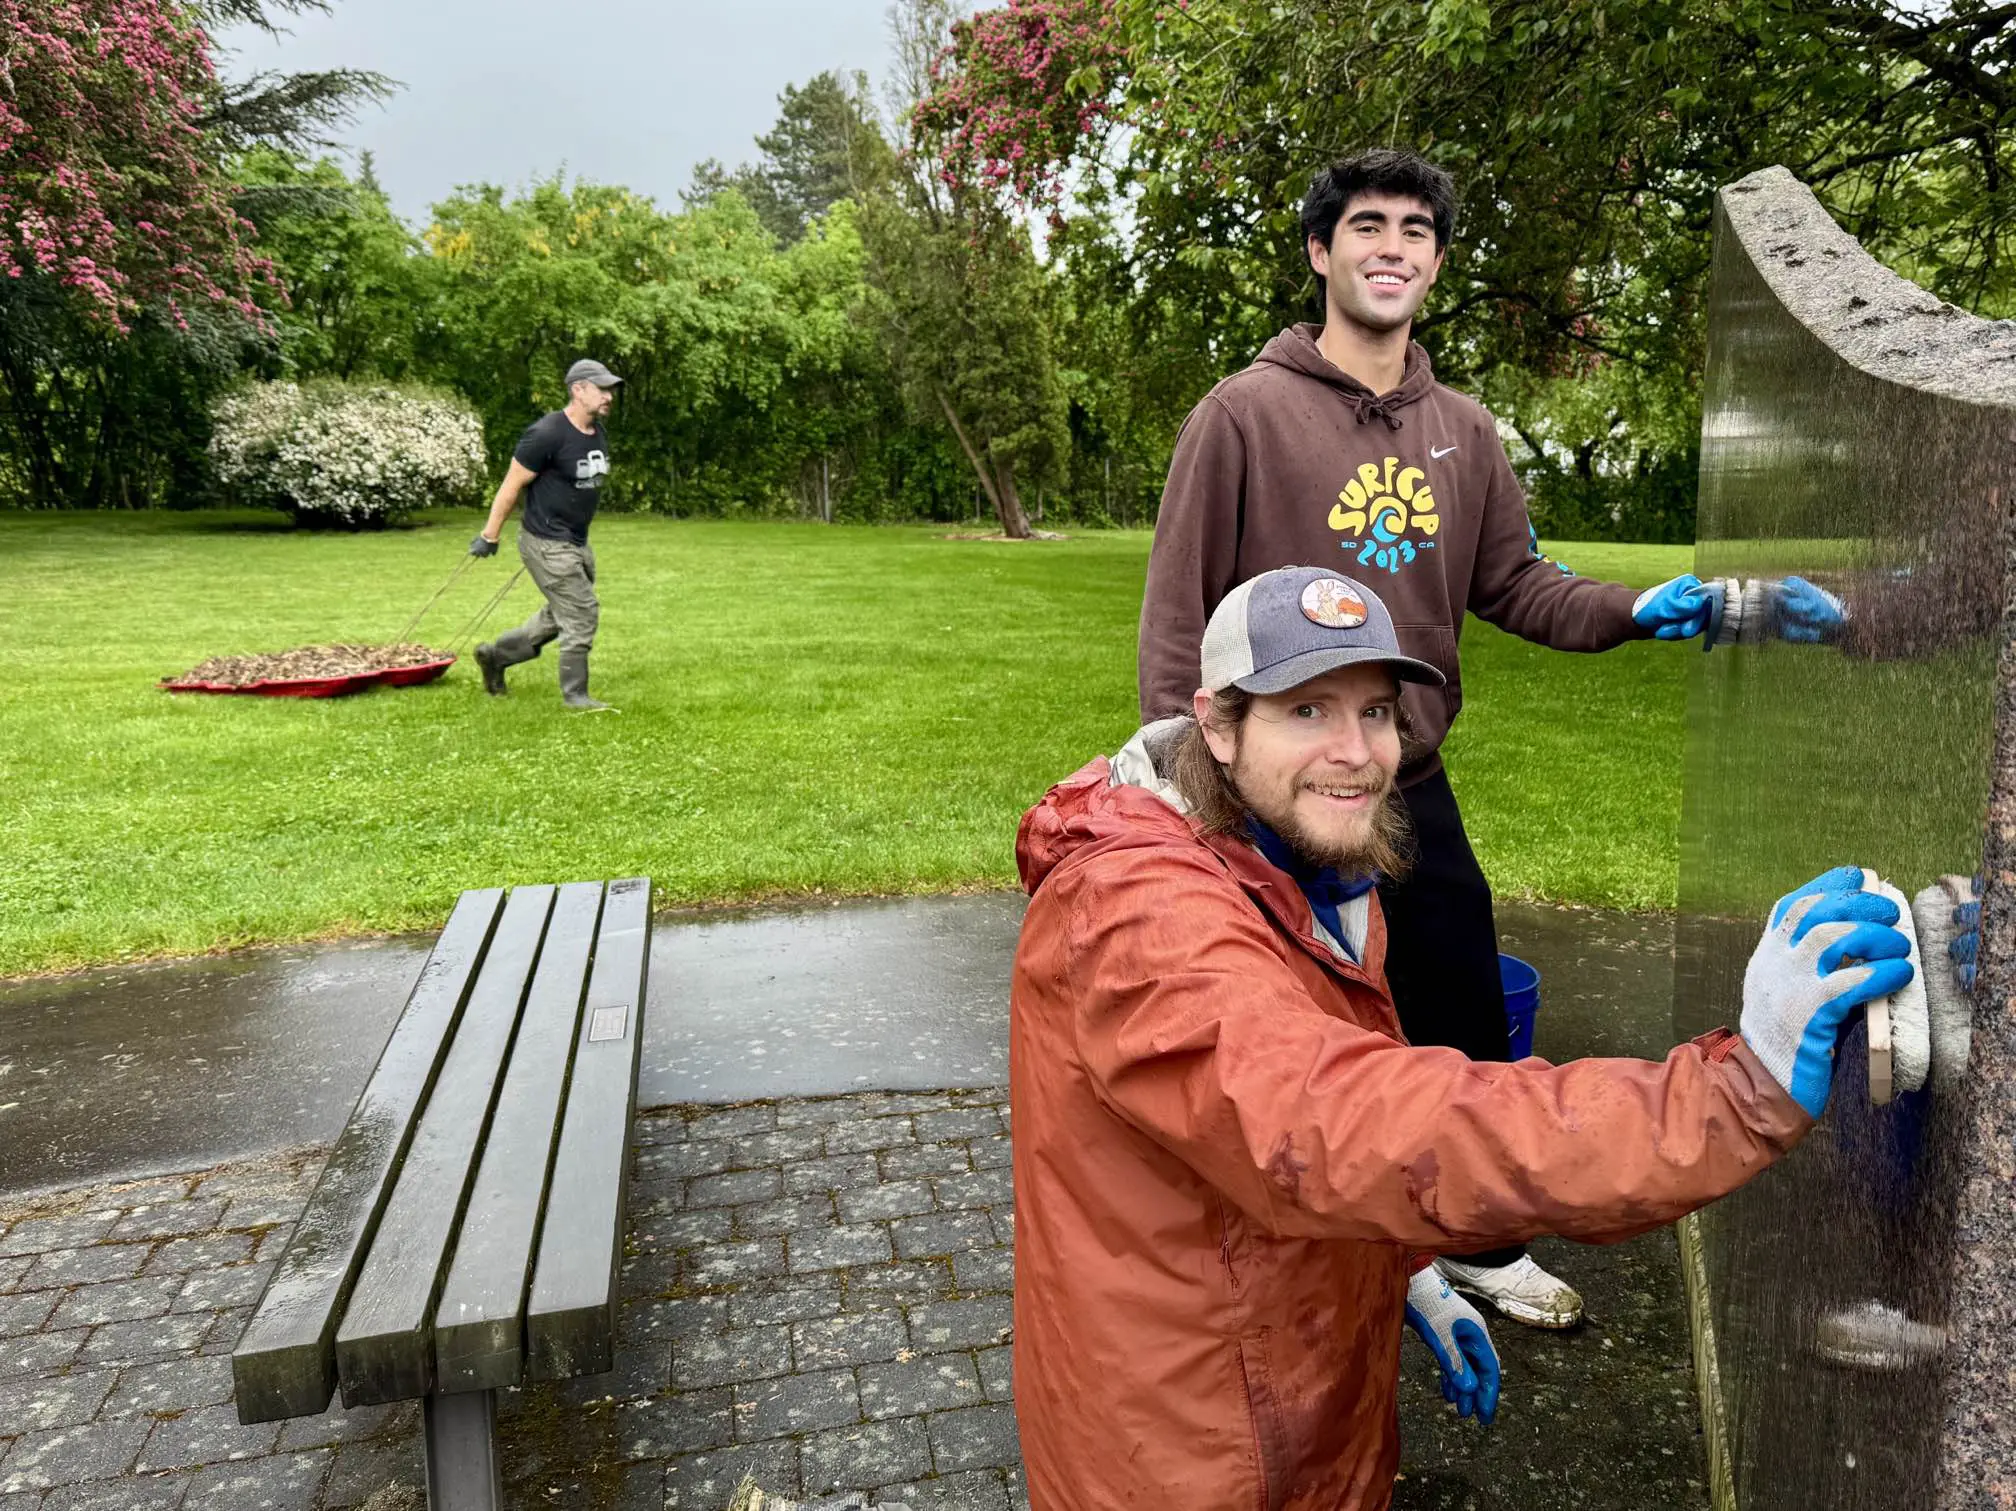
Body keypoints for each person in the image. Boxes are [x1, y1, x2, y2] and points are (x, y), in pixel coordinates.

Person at [1014, 565, 1915, 1511]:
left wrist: (1406, 1273)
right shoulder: (1138, 918)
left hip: (1294, 1386)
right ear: (1219, 723)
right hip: (1183, 1448)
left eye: (1375, 711)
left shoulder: (1308, 865)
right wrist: (1729, 1095)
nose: (1356, 752)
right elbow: (1339, 1121)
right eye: (1307, 711)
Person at [1136, 149, 1716, 1327]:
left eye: (1414, 229)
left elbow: (1517, 583)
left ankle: (1482, 1243)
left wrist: (1633, 610)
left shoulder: (1465, 429)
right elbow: (1177, 613)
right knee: (1271, 1023)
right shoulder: (1241, 415)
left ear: (1437, 262)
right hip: (1263, 789)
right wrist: (1186, 791)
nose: (1390, 245)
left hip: (1402, 780)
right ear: (1321, 251)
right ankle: (1288, 1249)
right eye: (1365, 225)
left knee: (1454, 997)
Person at [469, 358, 623, 711]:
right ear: (578, 389)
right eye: (601, 388)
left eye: (610, 389)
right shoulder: (546, 433)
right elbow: (512, 484)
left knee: (560, 614)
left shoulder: (597, 432)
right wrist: (489, 535)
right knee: (582, 613)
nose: (609, 396)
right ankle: (576, 696)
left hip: (576, 541)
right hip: (547, 542)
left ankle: (495, 657)